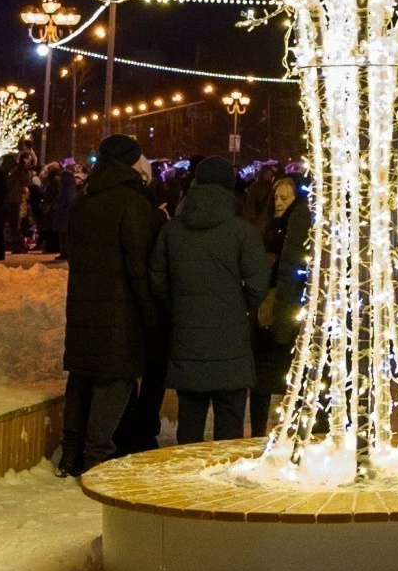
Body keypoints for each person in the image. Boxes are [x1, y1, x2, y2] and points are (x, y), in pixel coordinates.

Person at [58, 133, 161, 473]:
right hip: (121, 310)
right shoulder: (132, 201)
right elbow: (138, 264)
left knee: (82, 378)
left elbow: (71, 249)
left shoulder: (84, 198)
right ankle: (97, 459)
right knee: (114, 380)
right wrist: (150, 313)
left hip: (84, 304)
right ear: (132, 162)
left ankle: (70, 456)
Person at [150, 155, 271, 444]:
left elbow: (157, 279)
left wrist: (179, 305)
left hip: (186, 338)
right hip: (231, 342)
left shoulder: (172, 231)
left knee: (190, 419)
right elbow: (257, 283)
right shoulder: (242, 232)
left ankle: (188, 479)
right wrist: (239, 304)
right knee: (229, 423)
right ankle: (223, 480)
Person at [249, 171, 311, 441]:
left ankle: (288, 427)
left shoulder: (296, 226)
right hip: (265, 310)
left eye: (284, 197)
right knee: (262, 378)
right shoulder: (265, 224)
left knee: (286, 374)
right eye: (276, 196)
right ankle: (259, 428)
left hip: (285, 310)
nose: (278, 202)